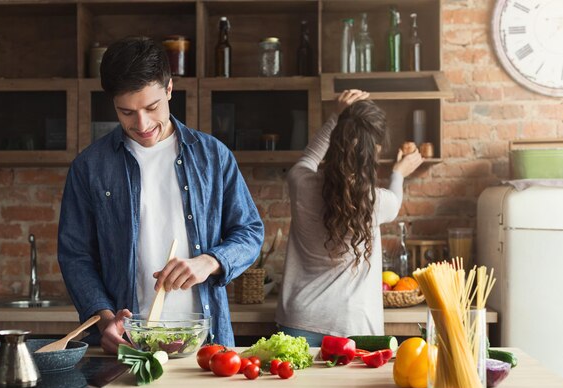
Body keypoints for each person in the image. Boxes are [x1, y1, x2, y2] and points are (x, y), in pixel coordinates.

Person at [58, 37, 264, 353]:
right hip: (129, 346)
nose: (142, 124)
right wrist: (103, 318)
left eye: (152, 107)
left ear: (169, 89)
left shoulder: (213, 156)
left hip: (207, 346)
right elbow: (76, 256)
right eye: (126, 112)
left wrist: (209, 262)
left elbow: (250, 232)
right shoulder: (89, 167)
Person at [275, 90, 423, 347]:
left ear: (336, 142)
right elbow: (396, 201)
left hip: (298, 321)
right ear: (372, 153)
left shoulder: (300, 182)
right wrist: (399, 172)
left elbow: (309, 157)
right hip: (352, 326)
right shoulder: (375, 202)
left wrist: (336, 115)